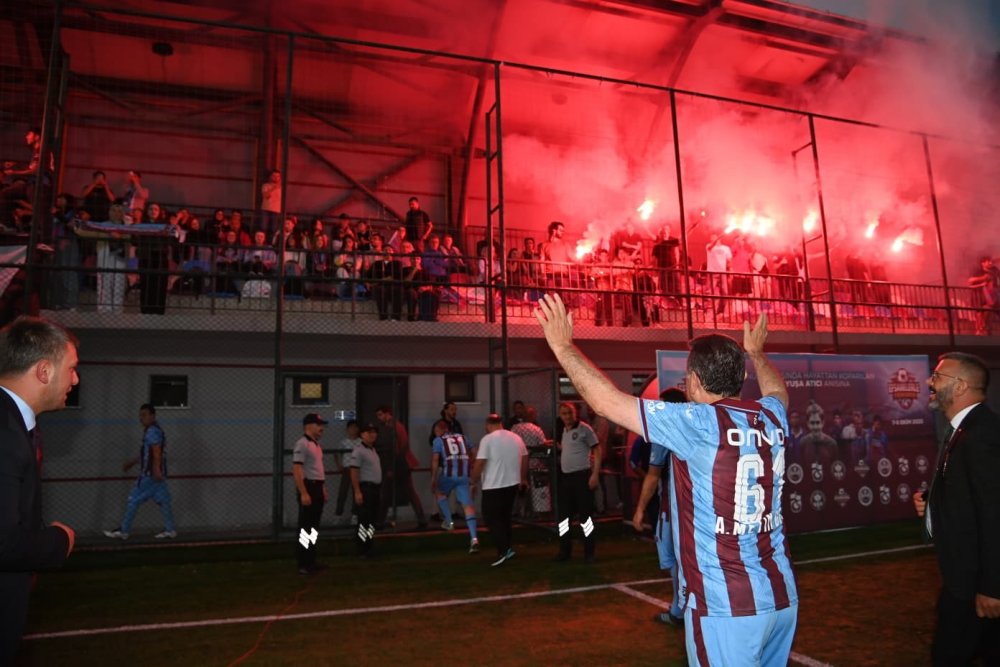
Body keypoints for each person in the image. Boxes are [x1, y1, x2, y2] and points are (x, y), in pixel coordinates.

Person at [535, 293, 797, 666]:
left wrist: (562, 345)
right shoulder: (770, 415)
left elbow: (606, 401)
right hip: (782, 595)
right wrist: (756, 353)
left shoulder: (696, 423)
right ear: (740, 378)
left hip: (726, 605)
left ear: (692, 381)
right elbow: (778, 392)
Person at [914, 352, 1000, 665]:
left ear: (961, 386)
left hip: (976, 587)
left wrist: (993, 587)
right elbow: (972, 497)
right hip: (965, 582)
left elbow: (994, 515)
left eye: (937, 377)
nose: (929, 382)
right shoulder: (963, 431)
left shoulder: (981, 435)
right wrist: (932, 503)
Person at [0, 317, 78, 663]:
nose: (75, 380)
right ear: (44, 371)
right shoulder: (5, 434)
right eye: (72, 369)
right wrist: (59, 541)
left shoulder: (15, 425)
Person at [632, 388, 688, 628]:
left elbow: (653, 475)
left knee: (674, 558)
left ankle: (680, 610)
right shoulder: (698, 425)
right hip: (701, 507)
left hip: (675, 508)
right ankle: (689, 609)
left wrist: (640, 509)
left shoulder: (665, 432)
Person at [104, 403, 177, 541]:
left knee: (133, 500)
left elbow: (156, 451)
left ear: (152, 416)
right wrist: (133, 462)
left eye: (144, 415)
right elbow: (149, 453)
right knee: (164, 501)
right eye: (140, 415)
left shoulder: (152, 431)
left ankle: (124, 531)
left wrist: (155, 469)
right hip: (155, 475)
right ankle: (170, 529)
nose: (141, 418)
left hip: (149, 475)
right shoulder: (154, 430)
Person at [471, 413, 528, 567]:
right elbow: (524, 458)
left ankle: (504, 549)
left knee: (491, 518)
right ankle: (506, 547)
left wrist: (473, 480)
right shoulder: (516, 438)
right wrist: (522, 478)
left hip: (493, 485)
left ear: (488, 424)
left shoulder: (487, 440)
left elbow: (480, 462)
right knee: (505, 518)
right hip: (512, 484)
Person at [553, 401, 600, 562]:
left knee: (585, 518)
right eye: (564, 414)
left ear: (575, 414)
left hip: (582, 477)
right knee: (563, 518)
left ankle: (589, 552)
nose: (567, 416)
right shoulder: (564, 431)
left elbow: (597, 450)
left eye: (569, 413)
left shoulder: (584, 429)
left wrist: (595, 474)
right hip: (566, 479)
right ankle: (564, 551)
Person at [429, 420, 479, 553]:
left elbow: (435, 460)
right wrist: (471, 464)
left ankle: (449, 522)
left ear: (439, 430)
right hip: (464, 474)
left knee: (439, 492)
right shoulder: (463, 437)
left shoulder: (438, 440)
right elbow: (474, 451)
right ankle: (474, 539)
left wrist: (433, 478)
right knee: (467, 506)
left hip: (449, 474)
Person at [375, 406, 427, 529]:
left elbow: (402, 445)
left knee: (388, 492)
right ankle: (421, 519)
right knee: (405, 491)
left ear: (387, 414)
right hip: (401, 463)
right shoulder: (394, 426)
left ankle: (380, 521)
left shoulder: (394, 426)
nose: (379, 418)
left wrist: (394, 465)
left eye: (380, 415)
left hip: (399, 463)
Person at [291, 413, 329, 575]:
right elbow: (297, 469)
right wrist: (304, 492)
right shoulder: (302, 444)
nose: (321, 428)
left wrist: (323, 487)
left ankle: (311, 560)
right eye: (318, 424)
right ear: (308, 426)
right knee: (306, 528)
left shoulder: (316, 445)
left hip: (316, 487)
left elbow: (317, 470)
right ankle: (304, 563)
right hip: (309, 487)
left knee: (313, 528)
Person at [349, 422, 383, 557]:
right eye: (369, 432)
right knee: (364, 520)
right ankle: (362, 548)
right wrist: (357, 491)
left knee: (372, 520)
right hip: (366, 489)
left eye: (374, 432)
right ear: (362, 435)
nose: (373, 435)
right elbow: (354, 471)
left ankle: (369, 546)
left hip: (374, 489)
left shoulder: (372, 450)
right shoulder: (359, 451)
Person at [334, 420, 362, 523]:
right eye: (351, 427)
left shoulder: (360, 442)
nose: (353, 430)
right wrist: (339, 465)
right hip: (347, 469)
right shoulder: (344, 442)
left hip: (358, 470)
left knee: (357, 493)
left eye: (355, 427)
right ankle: (338, 515)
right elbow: (336, 453)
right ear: (347, 429)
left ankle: (355, 515)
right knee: (343, 492)